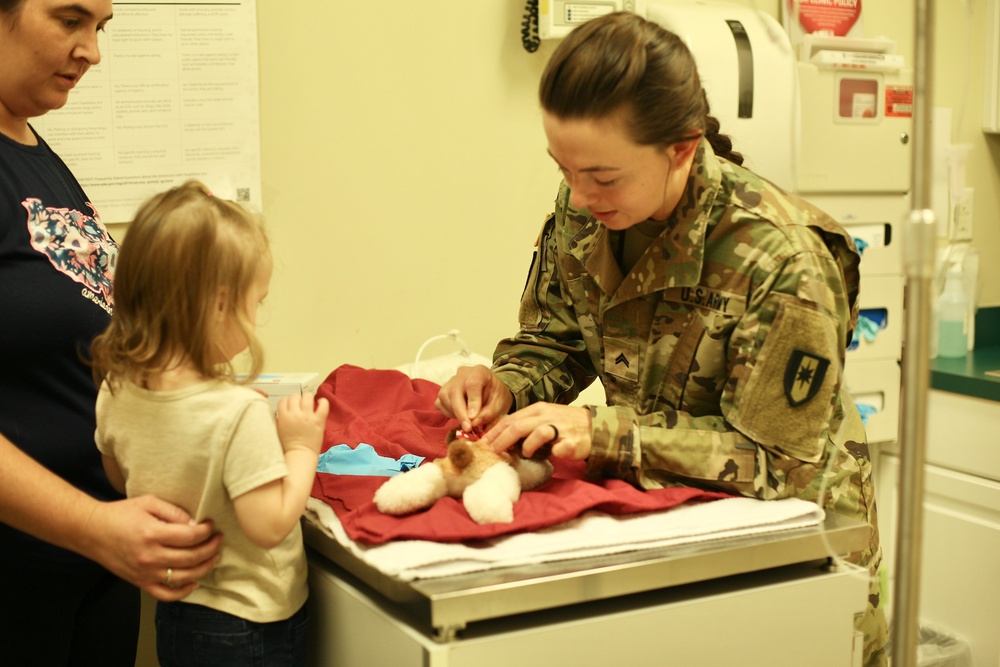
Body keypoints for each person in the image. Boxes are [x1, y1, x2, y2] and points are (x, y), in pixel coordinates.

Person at [436, 12, 887, 667]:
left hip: (796, 556)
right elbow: (557, 341)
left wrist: (603, 433)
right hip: (667, 529)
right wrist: (507, 384)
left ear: (681, 146)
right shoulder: (587, 207)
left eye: (603, 177)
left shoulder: (781, 258)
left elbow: (777, 464)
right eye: (565, 167)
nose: (581, 194)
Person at [0, 1, 221, 664]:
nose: (93, 51)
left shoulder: (33, 148)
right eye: (70, 20)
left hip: (91, 573)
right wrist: (93, 524)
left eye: (101, 26)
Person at [90, 180, 330, 666]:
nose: (257, 316)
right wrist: (300, 447)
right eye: (256, 302)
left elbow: (120, 477)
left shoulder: (117, 389)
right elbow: (269, 525)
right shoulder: (237, 414)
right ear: (220, 305)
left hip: (176, 615)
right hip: (252, 625)